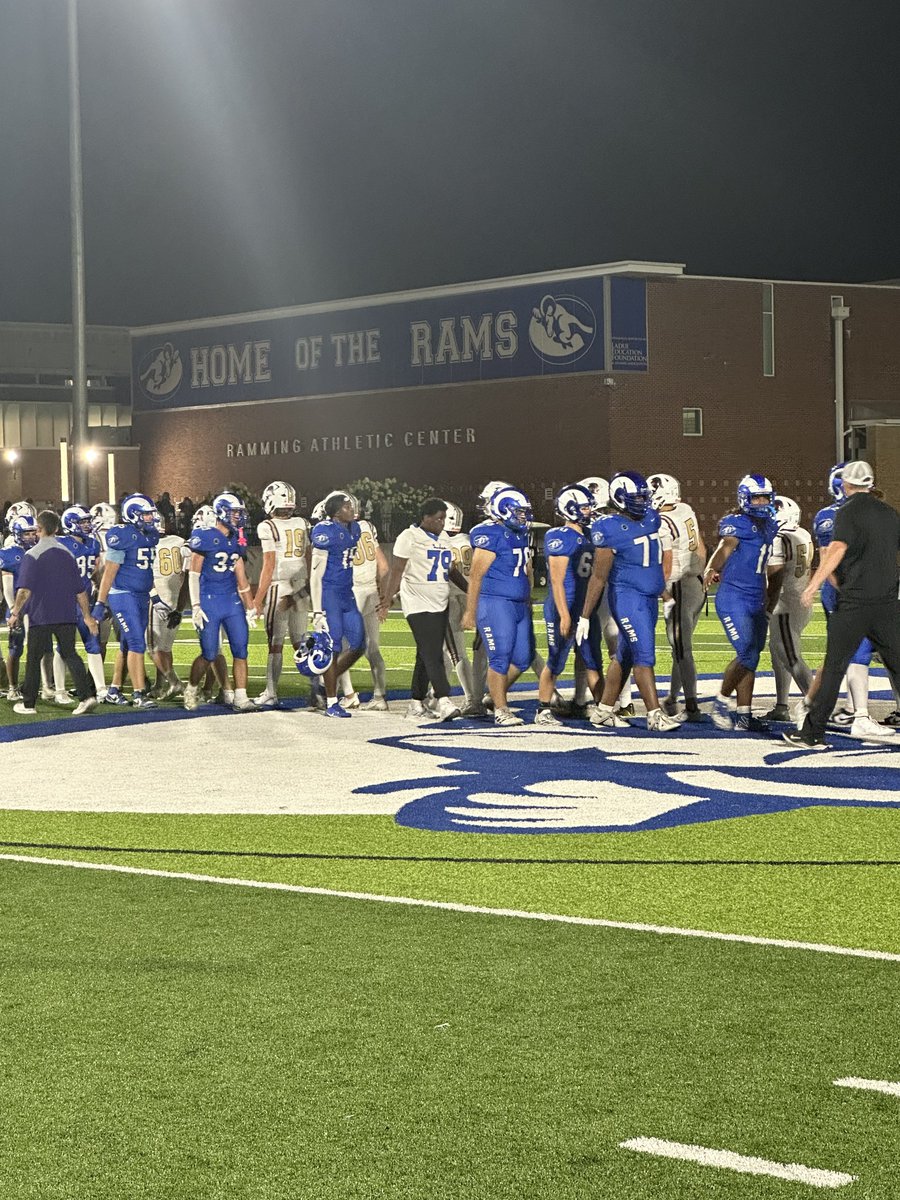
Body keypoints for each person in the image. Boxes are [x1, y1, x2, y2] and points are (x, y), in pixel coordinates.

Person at [785, 460, 900, 750]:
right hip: (886, 602)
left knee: (834, 667)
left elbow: (836, 549)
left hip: (855, 602)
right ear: (871, 483)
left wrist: (814, 584)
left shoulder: (846, 511)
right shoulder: (889, 513)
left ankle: (812, 733)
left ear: (845, 484)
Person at [577, 471, 680, 732]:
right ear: (620, 498)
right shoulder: (608, 527)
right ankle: (654, 714)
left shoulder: (651, 518)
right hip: (627, 598)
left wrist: (664, 595)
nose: (642, 502)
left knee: (624, 655)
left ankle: (602, 711)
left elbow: (653, 564)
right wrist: (585, 615)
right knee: (644, 656)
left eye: (644, 496)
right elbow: (599, 577)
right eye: (636, 497)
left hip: (647, 599)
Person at [704, 474, 781, 733]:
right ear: (744, 499)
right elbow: (725, 548)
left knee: (752, 656)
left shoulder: (770, 525)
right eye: (756, 497)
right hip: (734, 598)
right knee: (747, 652)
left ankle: (744, 716)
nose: (761, 503)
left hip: (756, 597)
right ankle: (720, 702)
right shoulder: (736, 524)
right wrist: (711, 568)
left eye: (764, 498)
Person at [379, 497, 468, 721]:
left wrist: (471, 590)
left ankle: (416, 703)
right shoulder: (409, 537)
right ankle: (444, 699)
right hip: (417, 602)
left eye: (443, 519)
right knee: (433, 652)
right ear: (426, 518)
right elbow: (397, 571)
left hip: (440, 601)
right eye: (438, 518)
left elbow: (450, 570)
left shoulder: (444, 538)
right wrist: (387, 601)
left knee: (425, 654)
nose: (441, 523)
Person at [8, 510, 98, 716]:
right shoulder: (67, 554)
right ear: (57, 528)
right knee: (70, 654)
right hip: (66, 613)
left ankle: (29, 704)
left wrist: (15, 612)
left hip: (42, 614)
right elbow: (80, 590)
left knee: (33, 658)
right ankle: (86, 696)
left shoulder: (32, 555)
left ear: (39, 529)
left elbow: (24, 590)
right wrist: (87, 616)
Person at [463, 485, 535, 726]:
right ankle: (501, 709)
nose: (523, 516)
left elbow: (527, 568)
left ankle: (491, 695)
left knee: (523, 659)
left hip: (518, 604)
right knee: (500, 658)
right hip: (496, 603)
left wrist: (529, 596)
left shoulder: (520, 533)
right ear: (504, 510)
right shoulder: (489, 534)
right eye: (519, 511)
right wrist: (471, 612)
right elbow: (475, 576)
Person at [183, 492, 258, 712]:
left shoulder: (237, 539)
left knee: (240, 649)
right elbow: (194, 574)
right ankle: (192, 687)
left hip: (231, 601)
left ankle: (241, 697)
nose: (238, 517)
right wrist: (195, 606)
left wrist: (250, 605)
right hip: (209, 601)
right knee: (209, 653)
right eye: (235, 512)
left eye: (239, 513)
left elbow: (241, 577)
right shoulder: (205, 536)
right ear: (223, 511)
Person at [537, 484, 599, 725]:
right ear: (570, 508)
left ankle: (602, 708)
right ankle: (542, 709)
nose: (588, 511)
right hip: (563, 607)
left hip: (583, 608)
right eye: (584, 507)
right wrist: (564, 615)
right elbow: (556, 580)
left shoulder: (590, 534)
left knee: (591, 659)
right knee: (555, 661)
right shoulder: (558, 536)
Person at [92, 493, 161, 709]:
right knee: (136, 644)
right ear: (133, 515)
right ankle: (139, 694)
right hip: (123, 595)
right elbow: (109, 573)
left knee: (126, 644)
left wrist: (154, 595)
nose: (151, 518)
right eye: (146, 515)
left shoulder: (148, 536)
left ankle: (114, 689)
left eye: (151, 514)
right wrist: (100, 603)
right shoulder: (122, 535)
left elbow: (144, 571)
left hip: (140, 596)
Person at [648, 473, 707, 722]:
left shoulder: (661, 520)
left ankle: (692, 707)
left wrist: (663, 593)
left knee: (682, 647)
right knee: (679, 648)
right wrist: (702, 577)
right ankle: (673, 698)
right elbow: (701, 547)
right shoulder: (685, 509)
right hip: (695, 582)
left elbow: (667, 562)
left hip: (678, 585)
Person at [253, 480, 311, 707]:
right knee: (300, 641)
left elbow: (269, 564)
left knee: (276, 642)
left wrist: (258, 599)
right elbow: (309, 556)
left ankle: (271, 691)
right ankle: (318, 689)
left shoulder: (268, 526)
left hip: (280, 587)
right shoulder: (303, 523)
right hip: (302, 585)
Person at [308, 492, 366, 717]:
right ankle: (332, 701)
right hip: (329, 593)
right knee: (333, 648)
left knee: (359, 644)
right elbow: (315, 575)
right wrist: (317, 610)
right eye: (346, 506)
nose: (351, 509)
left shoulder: (356, 529)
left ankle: (323, 681)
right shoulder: (325, 531)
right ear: (335, 511)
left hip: (346, 593)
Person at [764, 495, 814, 721]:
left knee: (790, 656)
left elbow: (775, 578)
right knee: (779, 655)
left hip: (785, 603)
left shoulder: (779, 538)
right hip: (800, 599)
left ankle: (816, 707)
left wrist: (767, 606)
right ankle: (781, 706)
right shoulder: (802, 534)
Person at [338, 493, 390, 711]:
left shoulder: (340, 531)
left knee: (340, 647)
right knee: (373, 648)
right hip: (371, 591)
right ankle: (380, 696)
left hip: (352, 591)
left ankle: (348, 694)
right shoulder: (367, 527)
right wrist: (384, 596)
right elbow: (384, 567)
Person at [57, 505, 107, 701]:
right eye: (82, 521)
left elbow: (96, 573)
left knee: (93, 643)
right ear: (70, 524)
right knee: (63, 647)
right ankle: (59, 690)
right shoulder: (60, 543)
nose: (87, 524)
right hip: (65, 601)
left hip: (85, 599)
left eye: (87, 521)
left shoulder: (93, 544)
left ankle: (101, 688)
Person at [147, 513, 190, 699]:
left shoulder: (147, 544)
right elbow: (186, 576)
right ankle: (159, 685)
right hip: (175, 600)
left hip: (156, 599)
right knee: (165, 648)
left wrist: (154, 598)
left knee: (152, 648)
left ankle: (174, 682)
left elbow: (144, 574)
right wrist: (180, 608)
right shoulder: (180, 542)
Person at [1, 514, 39, 701]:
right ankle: (12, 687)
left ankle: (38, 685)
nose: (32, 537)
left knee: (40, 647)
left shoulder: (41, 550)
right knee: (15, 648)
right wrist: (12, 609)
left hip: (39, 605)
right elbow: (8, 588)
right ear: (17, 534)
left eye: (34, 533)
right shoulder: (9, 554)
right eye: (27, 534)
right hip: (18, 605)